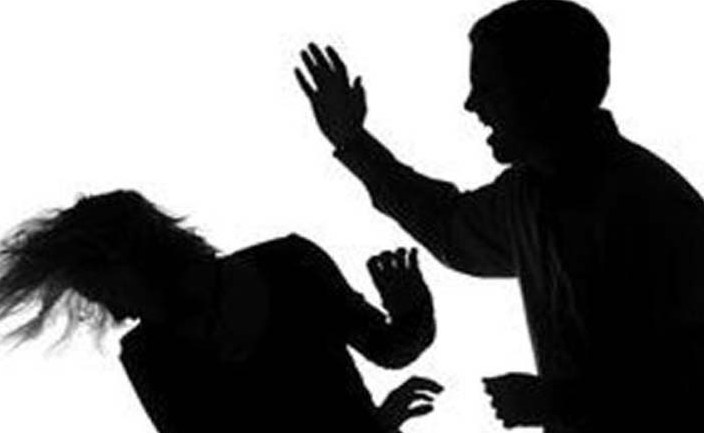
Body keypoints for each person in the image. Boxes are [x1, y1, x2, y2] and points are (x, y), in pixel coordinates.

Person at [295, 0, 704, 431]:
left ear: (543, 93)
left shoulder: (648, 207)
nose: (472, 104)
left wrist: (562, 403)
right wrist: (353, 141)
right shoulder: (526, 197)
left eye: (488, 87)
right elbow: (449, 227)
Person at [0, 190, 442, 433]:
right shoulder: (147, 356)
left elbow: (390, 348)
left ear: (133, 260)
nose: (114, 312)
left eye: (103, 292)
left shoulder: (291, 263)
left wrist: (411, 307)